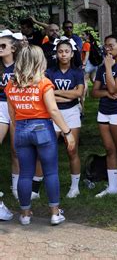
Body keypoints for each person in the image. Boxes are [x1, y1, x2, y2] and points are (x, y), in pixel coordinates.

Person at [5, 45, 75, 225]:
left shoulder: (11, 84)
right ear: (39, 60)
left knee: (25, 174)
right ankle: (54, 213)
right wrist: (67, 132)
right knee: (51, 172)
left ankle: (25, 214)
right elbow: (53, 109)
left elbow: (12, 115)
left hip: (21, 128)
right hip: (42, 128)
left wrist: (21, 126)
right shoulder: (43, 82)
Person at [91, 34, 117, 198]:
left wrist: (109, 68)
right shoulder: (102, 67)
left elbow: (114, 88)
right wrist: (106, 94)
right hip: (104, 112)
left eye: (110, 45)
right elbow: (94, 93)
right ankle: (113, 186)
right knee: (109, 150)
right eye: (105, 46)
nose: (107, 49)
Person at [45, 38, 85, 197]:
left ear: (71, 53)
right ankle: (44, 183)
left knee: (72, 150)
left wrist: (54, 93)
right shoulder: (49, 72)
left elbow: (78, 93)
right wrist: (65, 95)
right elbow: (46, 95)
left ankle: (74, 187)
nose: (63, 54)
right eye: (60, 51)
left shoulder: (77, 72)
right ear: (56, 53)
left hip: (72, 112)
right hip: (53, 112)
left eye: (66, 51)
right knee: (48, 150)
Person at [0, 30, 23, 200]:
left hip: (17, 107)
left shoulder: (21, 66)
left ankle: (16, 185)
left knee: (16, 150)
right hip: (1, 107)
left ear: (13, 48)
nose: (0, 48)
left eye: (3, 45)